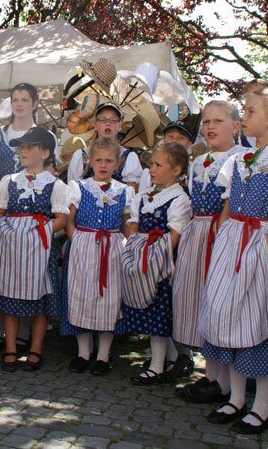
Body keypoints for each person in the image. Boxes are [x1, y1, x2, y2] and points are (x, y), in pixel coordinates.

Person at [198, 87, 268, 434]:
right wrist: (225, 242)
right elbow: (229, 209)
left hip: (261, 247)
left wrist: (261, 252)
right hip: (233, 244)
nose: (244, 116)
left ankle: (261, 406)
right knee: (228, 316)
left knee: (258, 323)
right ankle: (236, 398)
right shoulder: (240, 159)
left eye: (250, 111)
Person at [173, 101, 243, 403]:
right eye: (206, 121)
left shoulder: (242, 158)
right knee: (197, 299)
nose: (210, 127)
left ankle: (225, 380)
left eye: (218, 121)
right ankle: (212, 376)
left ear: (236, 127)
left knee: (219, 303)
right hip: (198, 233)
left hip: (223, 234)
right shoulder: (199, 161)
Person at [0, 127, 69, 372]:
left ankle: (36, 348)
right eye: (21, 147)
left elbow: (61, 217)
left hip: (39, 249)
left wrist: (39, 233)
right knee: (10, 294)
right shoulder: (10, 180)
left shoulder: (54, 184)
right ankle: (11, 347)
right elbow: (0, 212)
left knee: (41, 299)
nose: (22, 151)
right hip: (12, 249)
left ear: (45, 152)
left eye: (29, 146)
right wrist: (6, 230)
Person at [119, 143, 192, 384]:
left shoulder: (179, 199)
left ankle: (158, 366)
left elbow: (174, 235)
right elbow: (134, 225)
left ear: (176, 170)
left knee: (159, 316)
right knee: (151, 312)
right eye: (151, 163)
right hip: (143, 258)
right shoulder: (146, 195)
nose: (151, 169)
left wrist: (153, 258)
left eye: (158, 165)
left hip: (161, 265)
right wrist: (133, 249)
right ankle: (169, 359)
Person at [62, 138, 134, 376]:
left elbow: (127, 224)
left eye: (109, 161)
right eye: (99, 160)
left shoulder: (124, 191)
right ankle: (83, 352)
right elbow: (68, 220)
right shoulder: (78, 186)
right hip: (84, 245)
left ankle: (103, 354)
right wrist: (79, 241)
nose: (103, 165)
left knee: (109, 299)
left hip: (112, 248)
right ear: (90, 161)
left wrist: (127, 247)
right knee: (82, 295)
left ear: (118, 163)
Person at [0, 83, 43, 351]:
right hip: (4, 210)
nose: (19, 104)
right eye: (15, 99)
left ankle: (24, 331)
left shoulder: (41, 135)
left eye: (24, 100)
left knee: (29, 270)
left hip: (32, 214)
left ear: (34, 103)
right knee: (1, 269)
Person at [67, 103, 142, 190]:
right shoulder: (81, 155)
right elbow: (73, 192)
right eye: (103, 120)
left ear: (120, 125)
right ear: (96, 124)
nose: (108, 124)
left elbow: (132, 195)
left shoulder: (128, 157)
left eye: (113, 120)